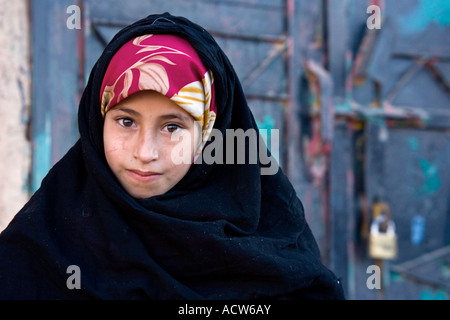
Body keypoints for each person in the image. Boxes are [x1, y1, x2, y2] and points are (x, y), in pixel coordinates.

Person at [0, 12, 345, 300]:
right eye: (125, 121)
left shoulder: (273, 256)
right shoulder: (38, 251)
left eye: (172, 127)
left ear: (209, 136)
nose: (145, 153)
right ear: (97, 121)